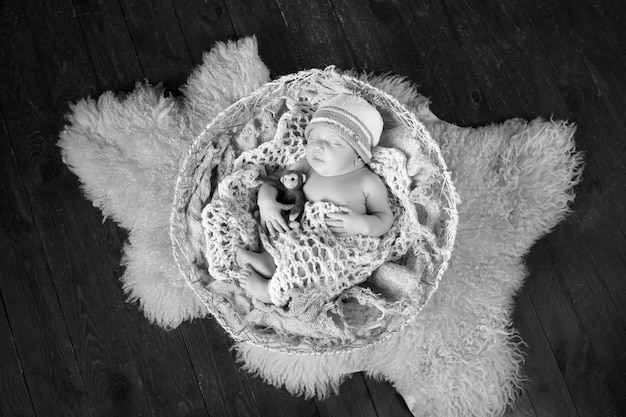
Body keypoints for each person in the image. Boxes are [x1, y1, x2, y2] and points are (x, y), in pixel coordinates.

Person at [236, 94, 394, 304]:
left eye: (334, 143)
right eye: (315, 139)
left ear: (359, 156)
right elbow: (274, 180)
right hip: (297, 228)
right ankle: (269, 261)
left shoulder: (368, 181)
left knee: (318, 264)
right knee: (277, 228)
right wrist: (266, 202)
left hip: (333, 244)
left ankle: (272, 291)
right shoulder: (307, 165)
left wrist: (362, 224)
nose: (319, 147)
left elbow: (385, 218)